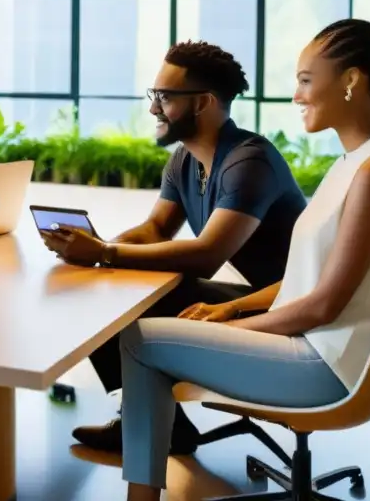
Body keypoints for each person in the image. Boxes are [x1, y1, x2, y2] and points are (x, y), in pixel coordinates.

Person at [119, 18, 370, 501]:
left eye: (305, 80)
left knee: (138, 340)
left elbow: (322, 306)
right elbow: (308, 278)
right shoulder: (355, 164)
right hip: (309, 347)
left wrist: (224, 332)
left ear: (351, 81)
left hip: (322, 366)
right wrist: (230, 309)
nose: (297, 96)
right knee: (154, 332)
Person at [41, 41, 307, 455]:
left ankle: (153, 422)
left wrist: (103, 254)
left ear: (203, 102)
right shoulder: (185, 158)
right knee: (107, 282)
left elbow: (206, 256)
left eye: (164, 97)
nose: (153, 109)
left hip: (288, 308)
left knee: (135, 287)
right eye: (155, 96)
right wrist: (96, 248)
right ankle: (153, 419)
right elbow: (155, 229)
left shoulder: (248, 162)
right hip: (260, 298)